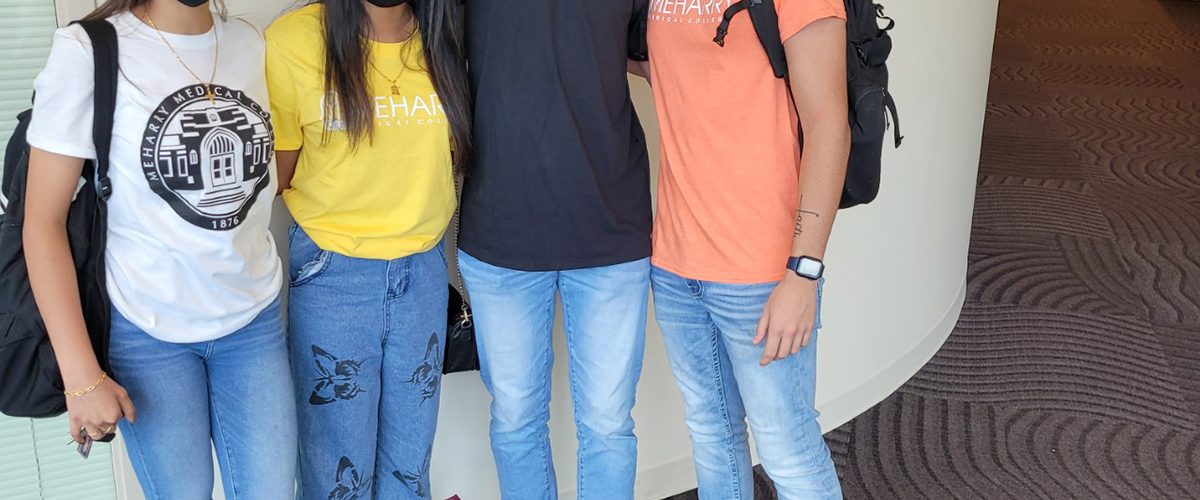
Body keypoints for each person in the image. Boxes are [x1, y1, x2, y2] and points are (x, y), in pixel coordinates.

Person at [23, 0, 295, 498]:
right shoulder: (88, 50)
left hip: (252, 322)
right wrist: (81, 375)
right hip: (147, 332)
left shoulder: (252, 44)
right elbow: (42, 223)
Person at [643, 1, 850, 498]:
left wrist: (803, 273)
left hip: (762, 270)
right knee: (711, 433)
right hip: (674, 261)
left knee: (787, 450)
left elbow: (829, 126)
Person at [264, 0, 471, 498]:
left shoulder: (444, 34)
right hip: (333, 274)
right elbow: (275, 177)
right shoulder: (294, 40)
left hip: (421, 272)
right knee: (338, 475)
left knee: (409, 469)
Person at [456, 1, 653, 498]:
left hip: (611, 227)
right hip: (501, 230)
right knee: (515, 421)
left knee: (608, 426)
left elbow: (658, 56)